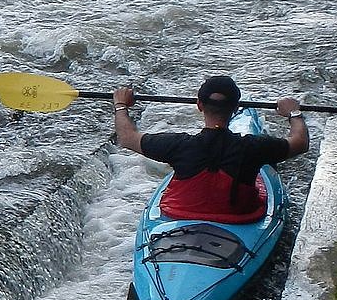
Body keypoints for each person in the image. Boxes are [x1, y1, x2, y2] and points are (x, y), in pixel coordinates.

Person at [112, 75, 308, 223]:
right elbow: (300, 142)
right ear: (235, 108)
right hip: (239, 218)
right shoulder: (254, 147)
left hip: (179, 215)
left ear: (199, 105)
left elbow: (127, 138)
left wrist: (121, 105)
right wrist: (294, 113)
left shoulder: (177, 145)